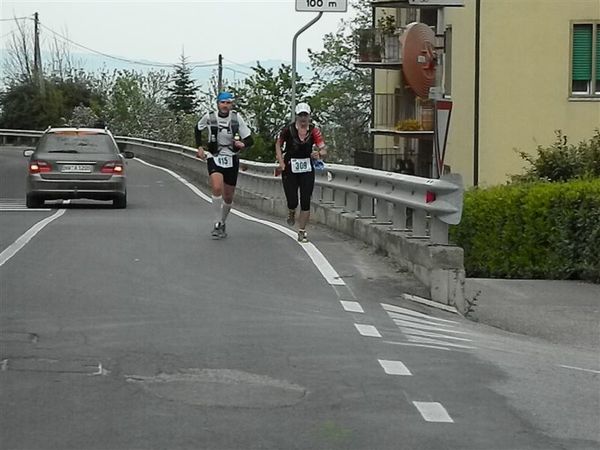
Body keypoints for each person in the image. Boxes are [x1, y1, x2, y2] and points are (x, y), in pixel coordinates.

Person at [195, 92, 253, 239]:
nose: (225, 106)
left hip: (231, 157)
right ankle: (216, 223)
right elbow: (197, 128)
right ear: (218, 104)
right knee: (216, 187)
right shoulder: (210, 117)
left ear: (231, 105)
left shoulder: (236, 118)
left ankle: (223, 221)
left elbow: (250, 139)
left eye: (228, 103)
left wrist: (243, 144)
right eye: (223, 103)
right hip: (215, 156)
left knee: (228, 196)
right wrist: (200, 147)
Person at [275, 102, 326, 243]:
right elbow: (278, 144)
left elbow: (323, 148)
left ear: (309, 116)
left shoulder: (314, 131)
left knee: (305, 200)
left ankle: (302, 231)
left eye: (306, 115)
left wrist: (319, 153)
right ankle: (291, 211)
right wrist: (281, 162)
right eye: (301, 115)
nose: (303, 118)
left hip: (307, 168)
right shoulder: (288, 130)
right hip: (290, 167)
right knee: (292, 200)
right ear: (296, 116)